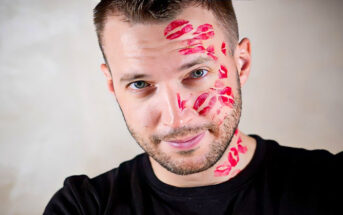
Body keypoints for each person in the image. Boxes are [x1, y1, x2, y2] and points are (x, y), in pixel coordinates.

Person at [44, 0, 343, 214]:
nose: (175, 118)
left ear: (242, 64)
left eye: (196, 74)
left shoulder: (329, 186)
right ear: (112, 86)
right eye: (140, 84)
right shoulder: (83, 207)